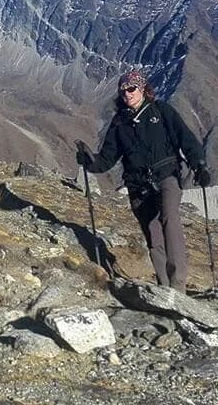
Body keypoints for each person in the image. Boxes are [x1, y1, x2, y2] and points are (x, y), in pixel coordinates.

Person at [76, 70, 211, 292]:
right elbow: (107, 159)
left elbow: (186, 139)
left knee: (169, 217)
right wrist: (89, 161)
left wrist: (200, 166)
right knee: (152, 232)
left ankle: (178, 286)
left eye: (131, 89)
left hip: (167, 175)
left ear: (143, 89)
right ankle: (164, 287)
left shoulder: (162, 111)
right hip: (138, 185)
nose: (127, 94)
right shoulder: (120, 123)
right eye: (123, 90)